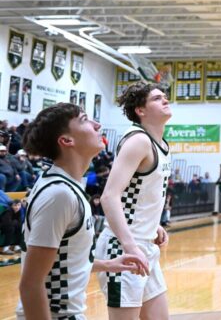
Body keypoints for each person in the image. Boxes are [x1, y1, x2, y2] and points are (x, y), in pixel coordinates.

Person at [17, 103, 144, 319]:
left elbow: (59, 260)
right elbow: (30, 285)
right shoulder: (59, 195)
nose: (97, 124)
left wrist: (107, 265)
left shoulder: (67, 187)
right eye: (85, 120)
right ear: (67, 140)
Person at [95, 82, 172, 319]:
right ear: (141, 110)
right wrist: (129, 245)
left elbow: (138, 193)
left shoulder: (159, 143)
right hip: (124, 247)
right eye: (158, 98)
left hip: (145, 244)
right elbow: (110, 196)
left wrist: (153, 224)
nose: (165, 100)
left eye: (165, 97)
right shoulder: (138, 141)